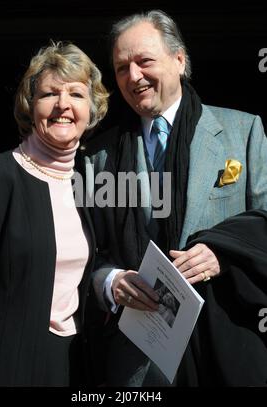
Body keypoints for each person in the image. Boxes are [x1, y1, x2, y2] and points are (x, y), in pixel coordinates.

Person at [81, 9, 267, 386]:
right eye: (121, 68)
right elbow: (83, 252)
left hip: (225, 341)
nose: (133, 77)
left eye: (144, 61)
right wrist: (110, 280)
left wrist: (224, 252)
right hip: (137, 357)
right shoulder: (98, 157)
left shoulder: (243, 132)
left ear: (179, 60)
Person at [0, 41, 109, 386]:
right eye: (49, 94)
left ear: (92, 109)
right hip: (6, 368)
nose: (63, 105)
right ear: (31, 107)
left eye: (76, 94)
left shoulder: (92, 185)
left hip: (77, 367)